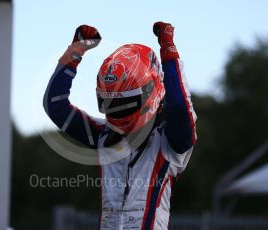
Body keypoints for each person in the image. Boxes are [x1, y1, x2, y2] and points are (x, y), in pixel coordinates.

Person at [43, 22, 197, 229]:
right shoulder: (103, 136)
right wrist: (75, 51)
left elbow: (180, 106)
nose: (116, 111)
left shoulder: (170, 142)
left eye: (124, 102)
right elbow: (55, 105)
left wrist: (169, 51)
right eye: (109, 103)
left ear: (151, 89)